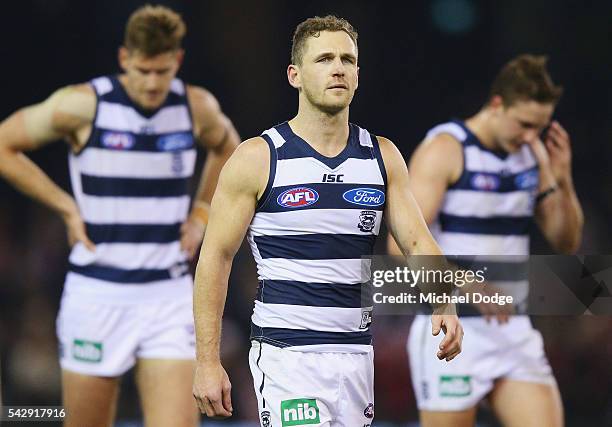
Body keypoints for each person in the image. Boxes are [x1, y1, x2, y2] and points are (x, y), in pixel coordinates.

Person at [191, 15, 463, 426]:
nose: (338, 67)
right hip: (288, 357)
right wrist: (207, 360)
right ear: (294, 75)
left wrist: (445, 300)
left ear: (357, 74)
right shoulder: (259, 157)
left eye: (347, 59)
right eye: (323, 59)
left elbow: (418, 243)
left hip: (356, 355)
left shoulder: (381, 156)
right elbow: (215, 257)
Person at [0, 5, 240, 427]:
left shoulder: (194, 107)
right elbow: (4, 144)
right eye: (143, 70)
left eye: (162, 72)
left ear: (177, 62)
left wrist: (202, 213)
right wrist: (65, 207)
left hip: (166, 295)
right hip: (97, 293)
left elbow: (228, 148)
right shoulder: (82, 105)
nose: (152, 83)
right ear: (124, 58)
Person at [389, 54, 583, 426]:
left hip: (511, 328)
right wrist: (468, 283)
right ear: (497, 105)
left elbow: (566, 242)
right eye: (524, 124)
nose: (531, 137)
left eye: (539, 128)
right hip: (452, 326)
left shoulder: (531, 155)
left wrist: (563, 177)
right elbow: (399, 246)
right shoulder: (445, 149)